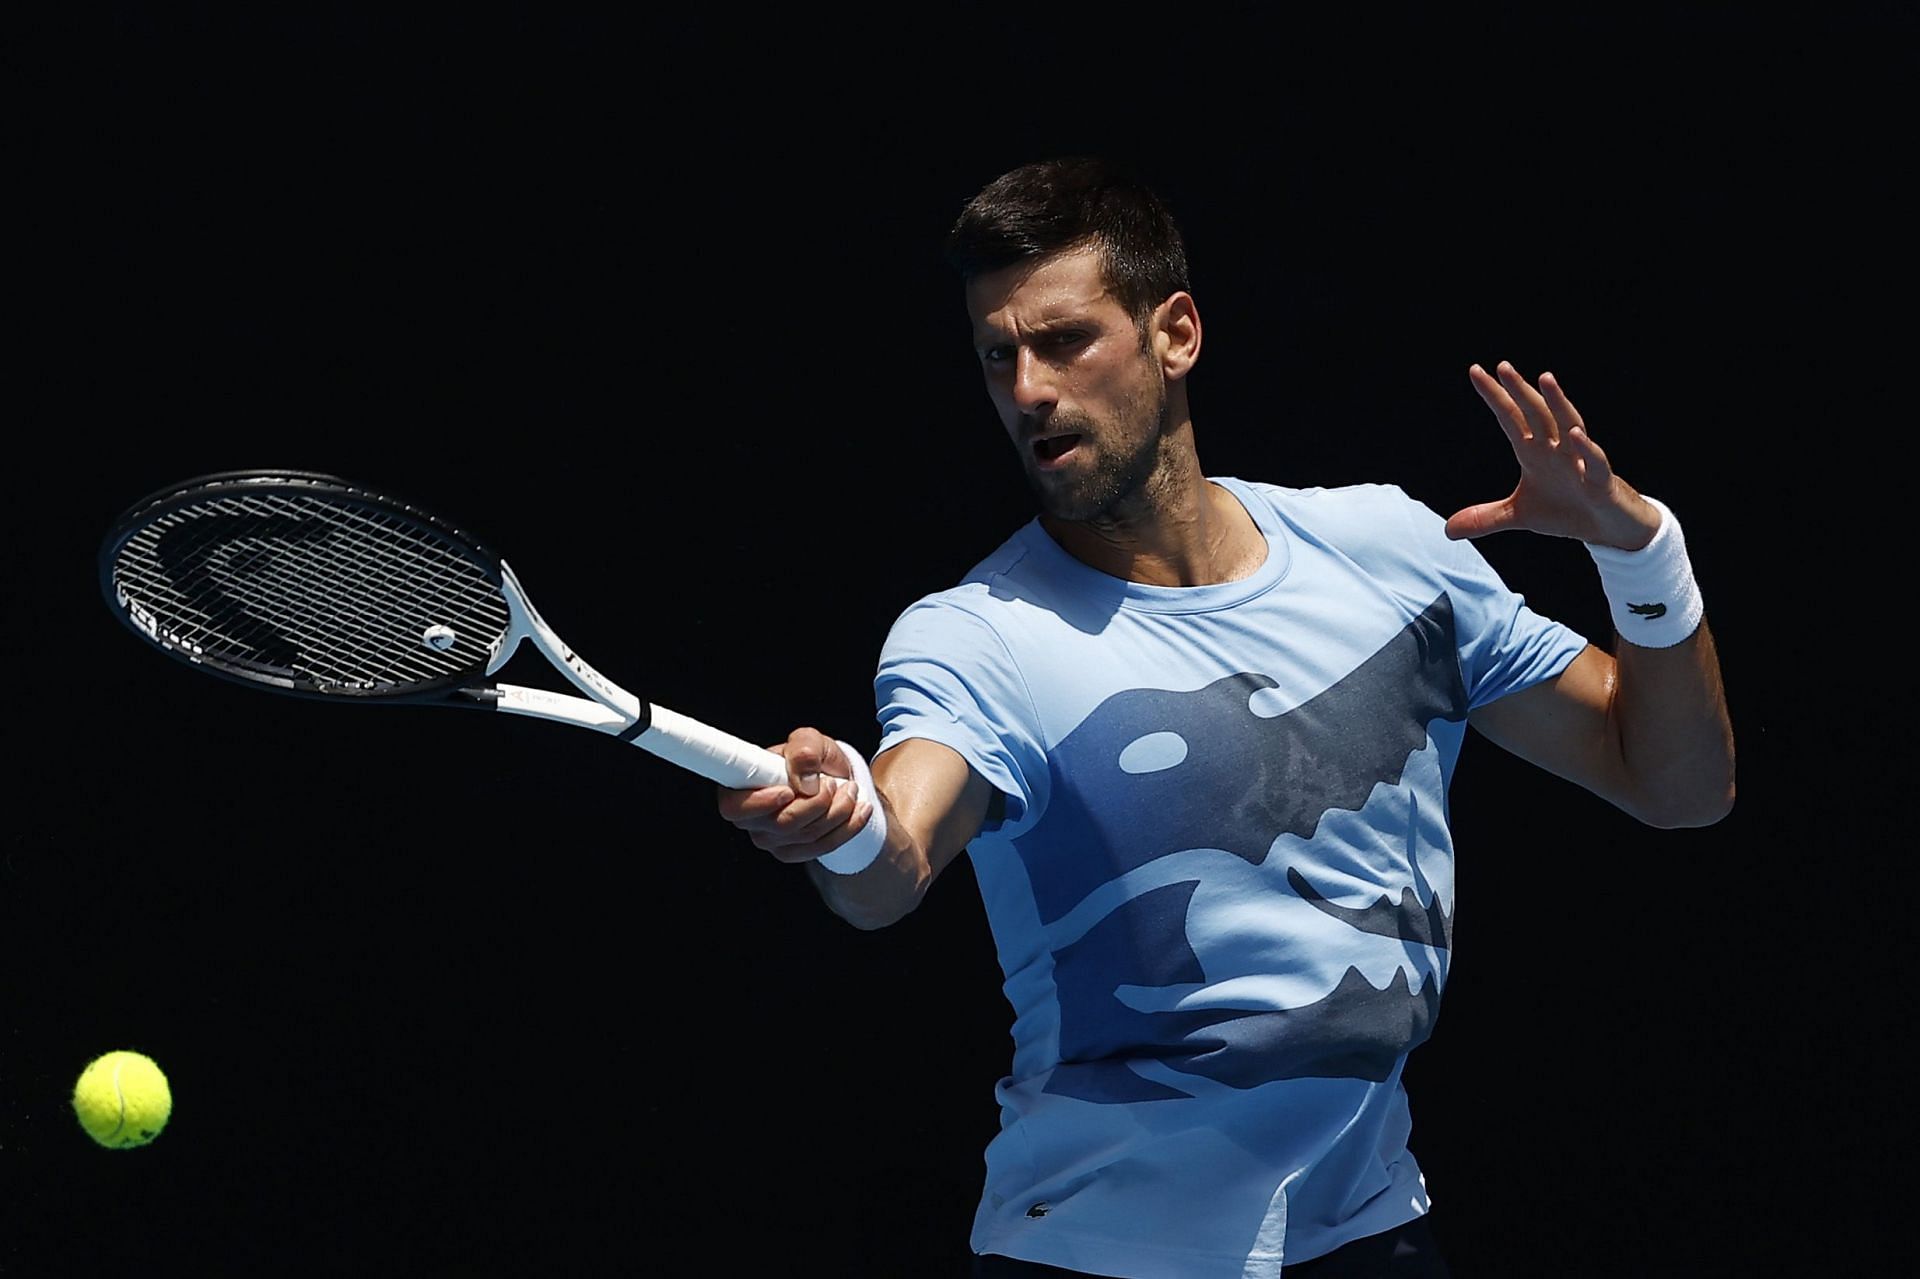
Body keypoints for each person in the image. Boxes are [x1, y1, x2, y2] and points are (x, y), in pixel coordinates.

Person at [716, 156, 1734, 1278]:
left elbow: (1677, 786)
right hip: (1095, 1256)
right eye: (996, 355)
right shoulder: (976, 635)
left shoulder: (1393, 556)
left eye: (1064, 341)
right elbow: (891, 865)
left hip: (1370, 1231)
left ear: (1177, 334)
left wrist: (1641, 553)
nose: (1027, 390)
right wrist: (847, 817)